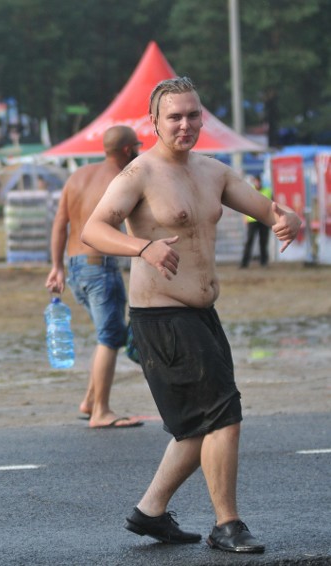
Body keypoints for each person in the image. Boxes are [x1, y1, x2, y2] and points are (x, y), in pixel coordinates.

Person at [81, 77, 301, 554]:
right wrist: (143, 247)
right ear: (154, 122)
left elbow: (266, 210)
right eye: (174, 117)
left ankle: (150, 512)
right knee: (224, 415)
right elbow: (93, 230)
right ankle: (227, 525)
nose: (185, 124)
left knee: (198, 425)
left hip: (202, 315)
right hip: (162, 317)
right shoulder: (139, 173)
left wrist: (288, 217)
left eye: (193, 115)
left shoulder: (213, 172)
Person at [45, 125, 144, 429]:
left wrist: (57, 266)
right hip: (99, 266)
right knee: (110, 337)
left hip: (75, 268)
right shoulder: (122, 179)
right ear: (128, 150)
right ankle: (101, 411)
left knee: (107, 333)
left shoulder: (77, 176)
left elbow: (60, 223)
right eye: (137, 147)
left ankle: (90, 400)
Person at [240, 175, 273, 268]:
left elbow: (272, 206)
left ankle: (264, 262)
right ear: (254, 182)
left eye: (259, 182)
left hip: (264, 219)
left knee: (263, 241)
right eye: (256, 182)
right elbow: (245, 205)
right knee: (249, 241)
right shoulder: (250, 190)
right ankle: (244, 263)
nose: (258, 183)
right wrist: (244, 217)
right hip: (252, 219)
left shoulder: (268, 191)